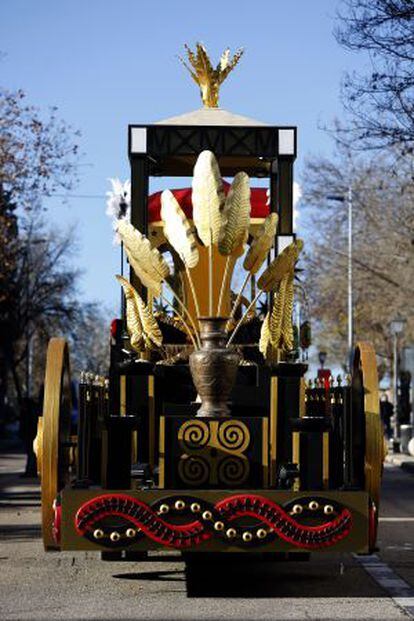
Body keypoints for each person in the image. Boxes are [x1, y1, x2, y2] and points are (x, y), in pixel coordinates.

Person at [19, 396, 39, 477]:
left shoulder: (28, 412)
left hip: (30, 434)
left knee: (31, 453)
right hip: (30, 434)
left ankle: (31, 471)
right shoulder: (31, 411)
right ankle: (31, 470)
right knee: (31, 453)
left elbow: (26, 425)